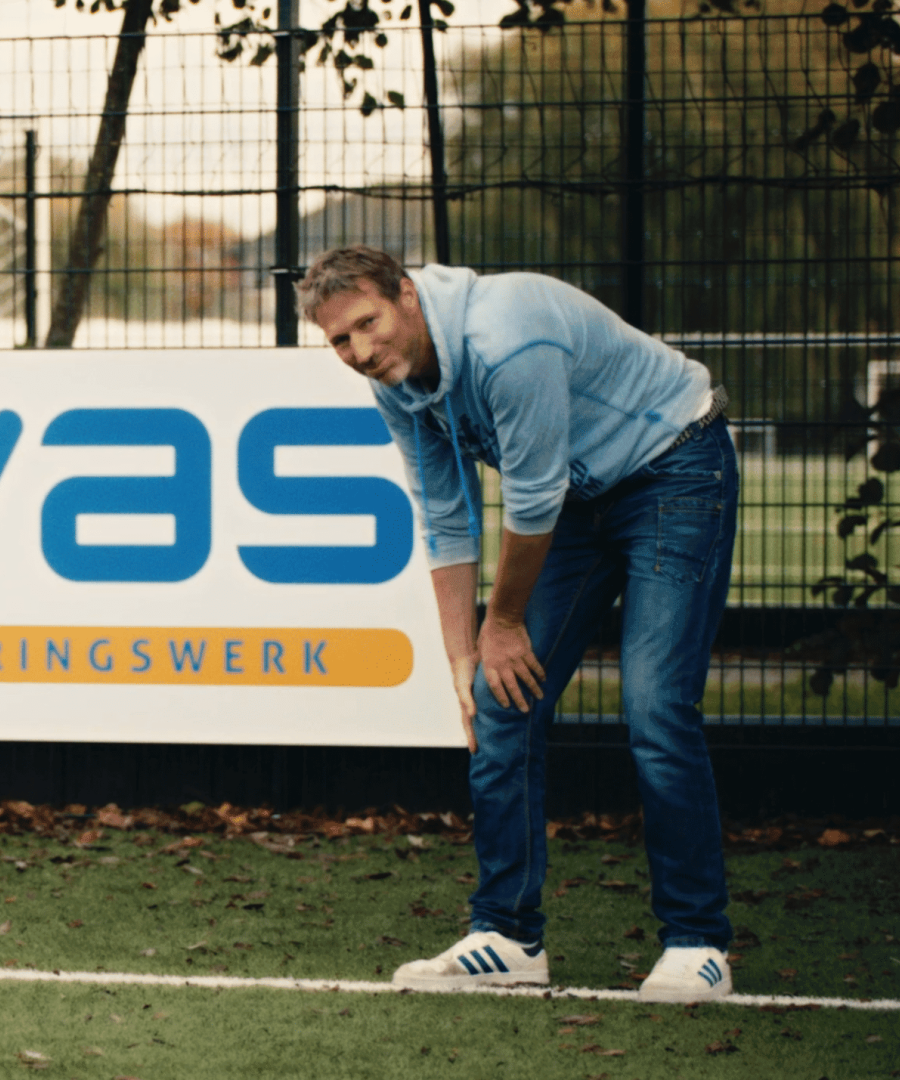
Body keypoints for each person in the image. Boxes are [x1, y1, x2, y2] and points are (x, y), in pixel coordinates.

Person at [297, 245, 738, 1004]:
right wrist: (462, 657)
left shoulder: (506, 337)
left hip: (674, 468)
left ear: (407, 295)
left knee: (656, 705)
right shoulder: (397, 383)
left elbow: (532, 499)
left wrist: (500, 623)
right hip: (580, 496)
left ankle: (698, 941)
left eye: (368, 323)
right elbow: (444, 514)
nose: (361, 351)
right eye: (341, 340)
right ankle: (506, 936)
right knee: (498, 699)